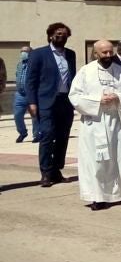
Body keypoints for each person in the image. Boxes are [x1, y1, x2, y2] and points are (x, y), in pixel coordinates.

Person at [68, 40, 121, 210]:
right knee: (97, 163)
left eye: (110, 52)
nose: (108, 56)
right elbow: (75, 96)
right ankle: (97, 197)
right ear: (95, 54)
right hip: (95, 123)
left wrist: (119, 97)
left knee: (120, 160)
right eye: (104, 53)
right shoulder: (86, 71)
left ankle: (116, 194)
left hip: (117, 123)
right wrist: (97, 100)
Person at [25, 22, 77, 187]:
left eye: (64, 34)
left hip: (65, 101)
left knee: (62, 137)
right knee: (47, 136)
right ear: (50, 36)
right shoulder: (39, 54)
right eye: (57, 34)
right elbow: (30, 81)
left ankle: (56, 170)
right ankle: (46, 172)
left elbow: (73, 78)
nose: (61, 37)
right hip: (46, 102)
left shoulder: (71, 54)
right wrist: (32, 102)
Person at [13, 46, 37, 143]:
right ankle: (22, 133)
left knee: (34, 116)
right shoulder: (19, 65)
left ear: (31, 53)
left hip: (32, 94)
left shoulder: (35, 65)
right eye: (21, 51)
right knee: (17, 115)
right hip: (20, 94)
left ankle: (37, 134)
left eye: (25, 51)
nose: (23, 53)